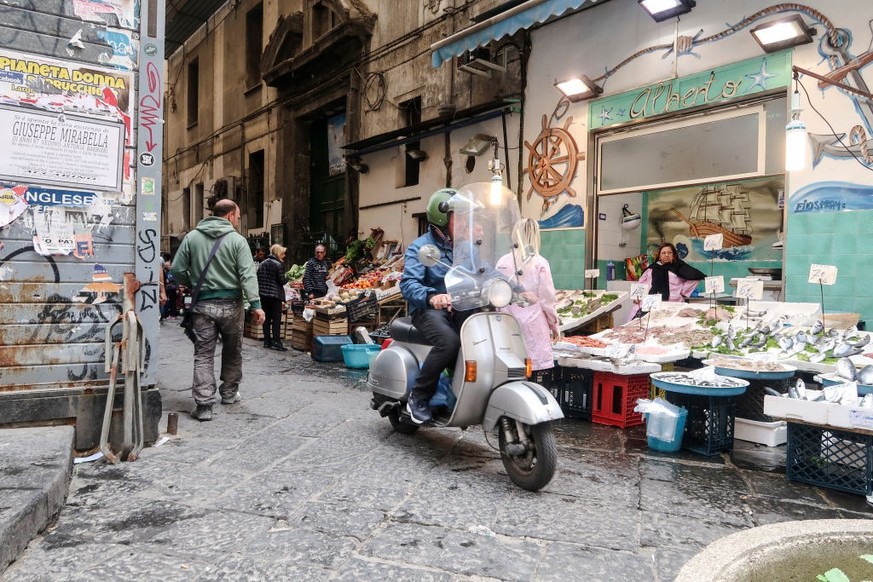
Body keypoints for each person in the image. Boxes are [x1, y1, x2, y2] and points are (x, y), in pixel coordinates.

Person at [171, 199, 265, 422]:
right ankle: (229, 393)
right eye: (238, 217)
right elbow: (247, 275)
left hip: (202, 305)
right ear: (231, 215)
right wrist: (256, 305)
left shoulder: (192, 237)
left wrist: (193, 282)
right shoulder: (237, 241)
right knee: (233, 351)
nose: (238, 221)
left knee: (203, 354)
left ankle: (204, 405)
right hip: (232, 305)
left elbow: (176, 270)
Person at [399, 188, 471, 425]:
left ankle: (463, 391)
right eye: (457, 217)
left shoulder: (464, 247)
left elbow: (482, 271)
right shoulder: (421, 248)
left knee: (478, 336)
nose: (463, 223)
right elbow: (408, 284)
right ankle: (418, 397)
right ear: (442, 220)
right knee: (449, 342)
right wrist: (432, 297)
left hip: (458, 307)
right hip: (427, 310)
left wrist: (512, 286)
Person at [495, 218, 560, 372]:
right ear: (536, 235)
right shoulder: (540, 263)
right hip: (533, 326)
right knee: (532, 373)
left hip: (506, 325)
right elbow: (547, 300)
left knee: (509, 370)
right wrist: (554, 325)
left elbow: (496, 293)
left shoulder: (502, 262)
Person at [627, 242, 705, 321]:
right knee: (639, 324)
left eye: (669, 252)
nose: (666, 255)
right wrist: (638, 297)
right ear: (659, 256)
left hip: (673, 303)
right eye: (663, 253)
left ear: (674, 255)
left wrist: (683, 291)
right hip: (650, 303)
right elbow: (642, 282)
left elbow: (695, 276)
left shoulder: (680, 267)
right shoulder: (652, 268)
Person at [257, 244, 289, 351]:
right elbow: (282, 281)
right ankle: (276, 342)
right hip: (275, 296)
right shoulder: (278, 265)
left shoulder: (262, 264)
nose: (284, 255)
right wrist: (287, 277)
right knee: (276, 319)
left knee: (266, 318)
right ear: (278, 253)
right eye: (283, 253)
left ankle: (267, 341)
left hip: (263, 295)